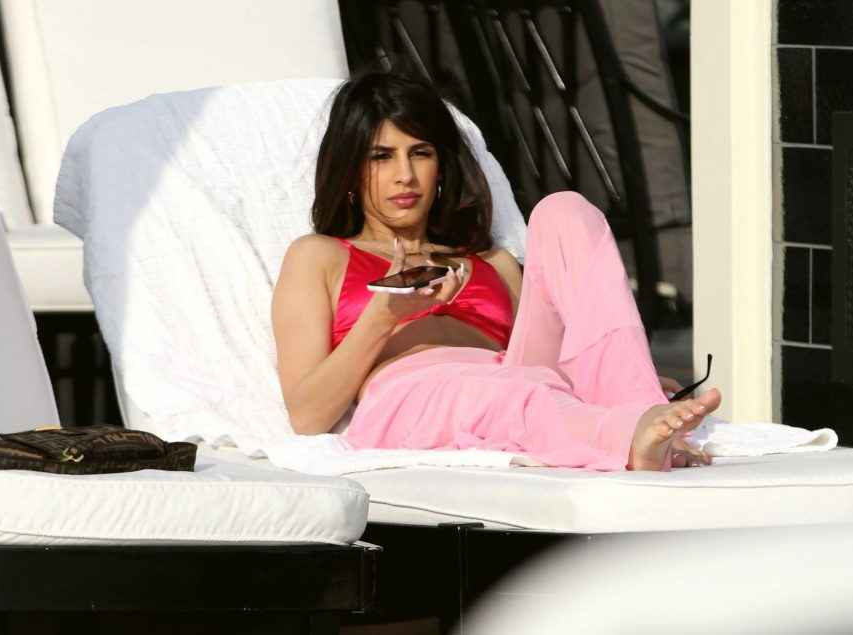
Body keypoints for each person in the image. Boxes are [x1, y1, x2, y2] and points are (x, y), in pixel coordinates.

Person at [271, 71, 720, 471]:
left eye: (420, 153)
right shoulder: (320, 256)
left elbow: (545, 357)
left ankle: (637, 407)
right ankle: (630, 436)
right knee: (514, 397)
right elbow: (307, 416)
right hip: (414, 394)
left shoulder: (492, 261)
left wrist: (624, 371)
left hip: (513, 375)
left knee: (564, 210)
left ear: (441, 165)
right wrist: (382, 317)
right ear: (351, 169)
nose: (405, 175)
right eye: (381, 156)